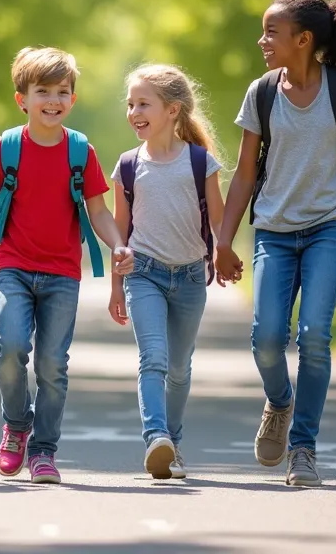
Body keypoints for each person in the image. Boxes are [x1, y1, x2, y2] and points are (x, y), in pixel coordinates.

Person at [213, 0, 336, 487]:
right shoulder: (262, 92)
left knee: (315, 335)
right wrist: (223, 240)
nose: (263, 40)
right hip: (273, 229)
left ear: (304, 39)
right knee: (267, 338)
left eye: (272, 31)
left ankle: (304, 448)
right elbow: (245, 173)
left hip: (330, 228)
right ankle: (280, 401)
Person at [0, 46, 134, 484]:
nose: (53, 100)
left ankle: (44, 451)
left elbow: (99, 212)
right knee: (9, 350)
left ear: (73, 100)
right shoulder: (5, 148)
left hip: (63, 273)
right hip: (14, 266)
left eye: (62, 91)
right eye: (42, 91)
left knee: (52, 366)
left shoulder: (80, 151)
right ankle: (16, 426)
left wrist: (119, 244)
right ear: (21, 98)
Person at [108, 64, 226, 480]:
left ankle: (171, 442)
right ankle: (156, 436)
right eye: (130, 104)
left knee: (179, 367)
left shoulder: (200, 162)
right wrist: (116, 287)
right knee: (152, 358)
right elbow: (121, 232)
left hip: (191, 277)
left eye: (143, 103)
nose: (134, 111)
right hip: (145, 273)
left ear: (173, 110)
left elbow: (218, 220)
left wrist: (224, 252)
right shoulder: (127, 165)